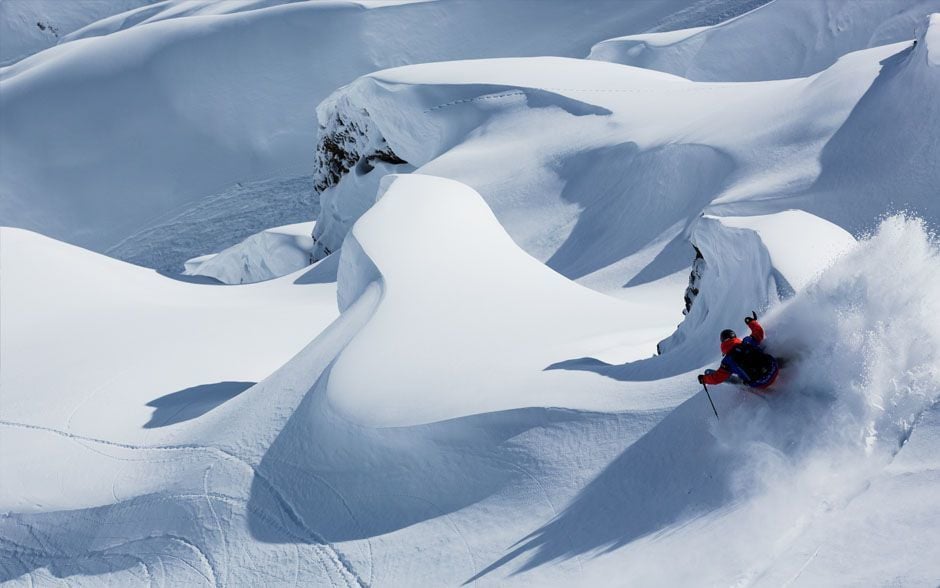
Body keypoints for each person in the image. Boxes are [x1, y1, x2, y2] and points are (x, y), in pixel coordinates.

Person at [697, 311, 779, 390]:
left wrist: (704, 379)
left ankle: (744, 379)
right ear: (734, 337)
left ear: (722, 343)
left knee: (736, 369)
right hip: (774, 369)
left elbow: (716, 378)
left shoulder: (727, 361)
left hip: (760, 383)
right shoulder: (747, 342)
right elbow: (759, 332)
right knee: (759, 347)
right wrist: (751, 322)